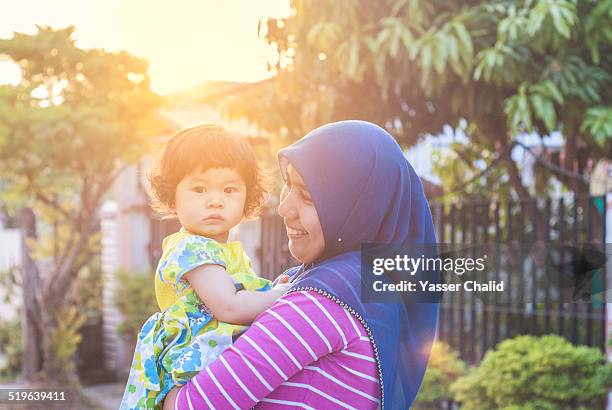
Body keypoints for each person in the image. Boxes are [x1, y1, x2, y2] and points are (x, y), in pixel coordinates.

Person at [164, 120, 440, 409]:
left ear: (359, 210)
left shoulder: (320, 302)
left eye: (307, 197)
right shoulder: (364, 288)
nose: (284, 209)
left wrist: (158, 393)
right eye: (288, 186)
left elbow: (193, 406)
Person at [120, 125, 290, 410]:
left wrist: (269, 289)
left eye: (229, 189)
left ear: (247, 196)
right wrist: (284, 293)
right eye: (199, 188)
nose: (215, 200)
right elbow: (230, 307)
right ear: (172, 194)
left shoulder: (221, 249)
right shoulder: (192, 249)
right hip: (194, 362)